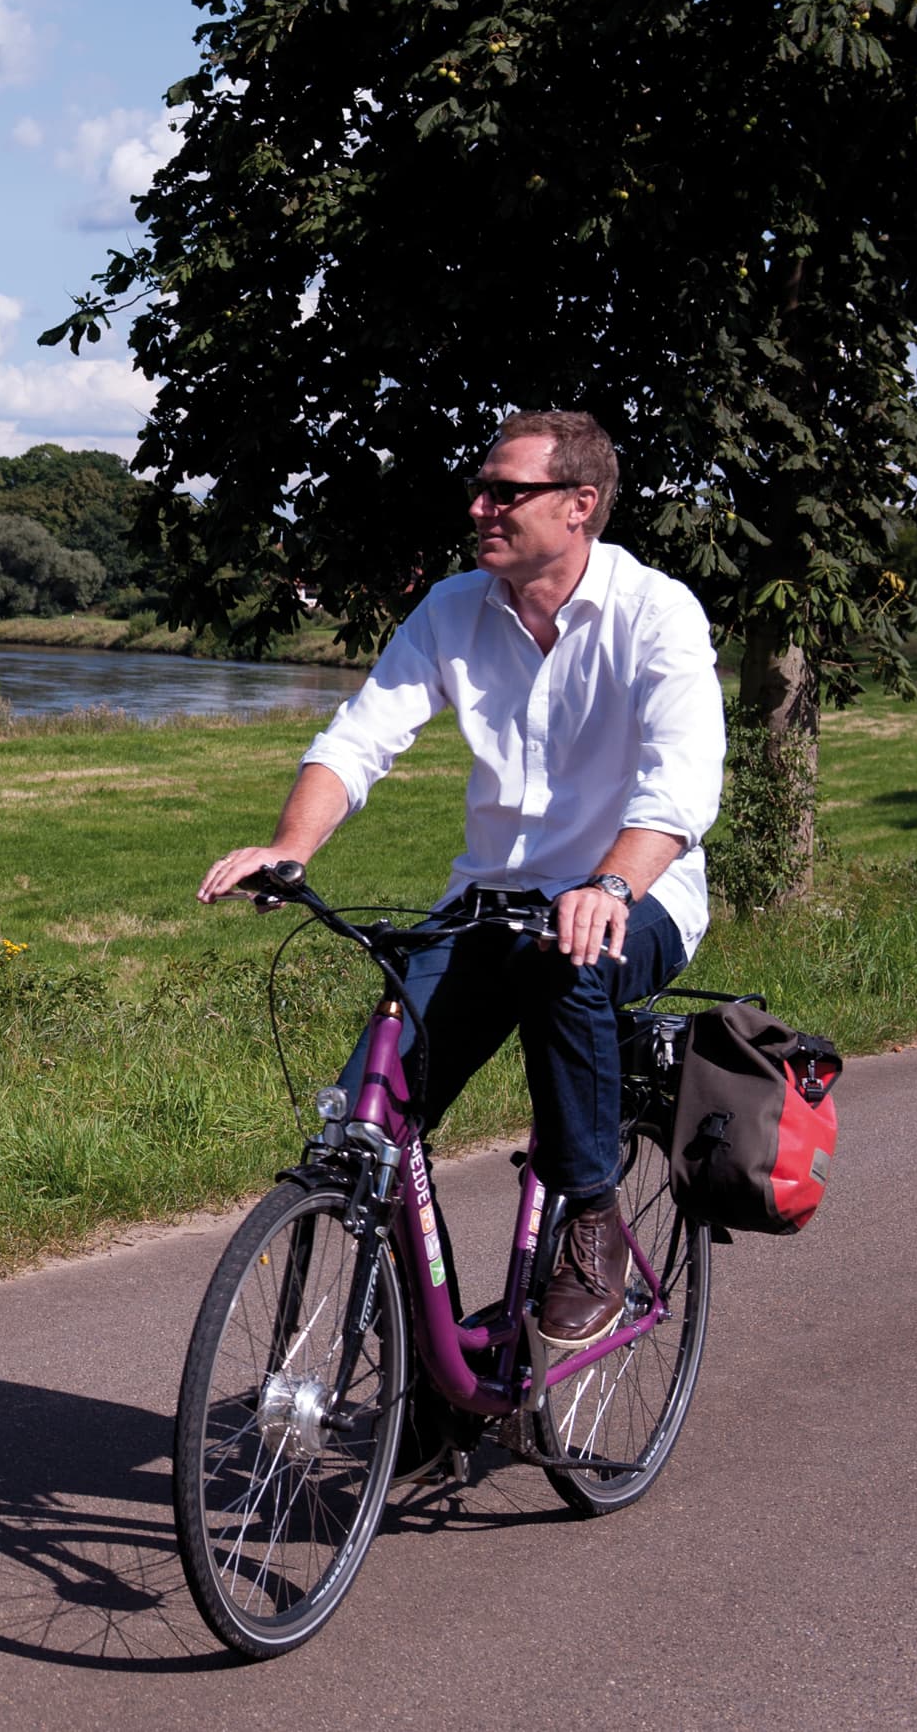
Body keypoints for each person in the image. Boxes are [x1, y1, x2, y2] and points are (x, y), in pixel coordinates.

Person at [196, 411, 725, 1349]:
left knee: (565, 967)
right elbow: (360, 739)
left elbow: (679, 788)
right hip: (488, 905)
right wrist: (292, 845)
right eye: (478, 488)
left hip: (633, 899)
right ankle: (425, 1379)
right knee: (371, 1122)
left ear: (579, 506)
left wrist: (608, 886)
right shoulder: (453, 608)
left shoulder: (657, 613)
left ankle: (593, 1223)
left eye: (505, 493)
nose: (480, 507)